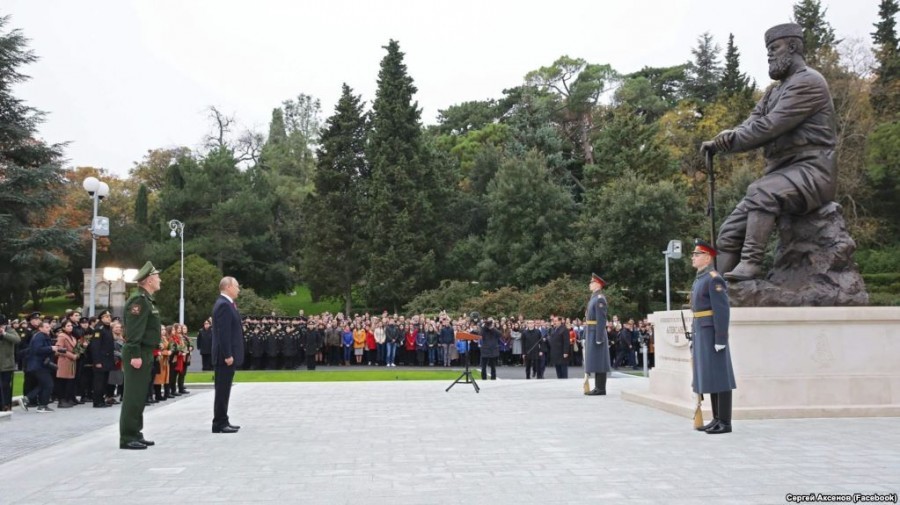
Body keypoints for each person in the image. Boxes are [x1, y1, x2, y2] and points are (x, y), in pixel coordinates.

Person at [700, 23, 837, 281]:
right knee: (729, 232)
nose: (769, 55)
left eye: (774, 48)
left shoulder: (808, 82)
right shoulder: (774, 91)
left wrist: (732, 142)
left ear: (794, 46)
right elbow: (752, 122)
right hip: (781, 175)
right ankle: (715, 290)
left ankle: (751, 263)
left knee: (761, 191)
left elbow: (770, 126)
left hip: (813, 172)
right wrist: (723, 138)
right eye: (768, 50)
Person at [689, 239, 737, 434]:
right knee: (711, 376)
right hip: (702, 331)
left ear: (707, 257)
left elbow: (722, 311)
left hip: (711, 333)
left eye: (696, 254)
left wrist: (720, 338)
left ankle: (725, 421)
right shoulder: (700, 279)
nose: (693, 257)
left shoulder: (713, 278)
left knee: (721, 376)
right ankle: (716, 418)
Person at [119, 261, 162, 450]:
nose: (160, 280)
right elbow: (134, 332)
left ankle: (136, 432)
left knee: (140, 395)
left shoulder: (146, 300)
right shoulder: (139, 301)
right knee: (133, 396)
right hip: (138, 353)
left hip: (145, 352)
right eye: (157, 277)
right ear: (149, 280)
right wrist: (135, 354)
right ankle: (127, 437)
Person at [211, 276, 244, 434]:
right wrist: (228, 354)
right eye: (237, 286)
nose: (238, 289)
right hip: (225, 357)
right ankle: (219, 422)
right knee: (222, 390)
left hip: (227, 355)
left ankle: (223, 419)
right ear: (228, 287)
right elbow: (223, 333)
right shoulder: (224, 305)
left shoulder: (227, 304)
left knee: (224, 390)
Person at [23, 320, 61, 412]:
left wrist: (53, 349)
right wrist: (51, 348)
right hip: (39, 365)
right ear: (40, 328)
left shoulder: (43, 336)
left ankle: (28, 398)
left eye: (49, 327)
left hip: (41, 365)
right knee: (49, 384)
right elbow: (37, 349)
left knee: (43, 385)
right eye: (46, 327)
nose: (49, 328)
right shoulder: (39, 336)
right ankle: (42, 405)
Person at [583, 273, 611, 395]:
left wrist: (599, 337)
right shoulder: (594, 297)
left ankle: (600, 388)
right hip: (592, 331)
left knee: (599, 361)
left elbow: (601, 319)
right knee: (595, 360)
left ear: (597, 284)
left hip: (596, 332)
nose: (589, 284)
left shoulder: (599, 298)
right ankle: (598, 387)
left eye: (591, 282)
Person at [90, 310, 115, 408]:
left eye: (109, 316)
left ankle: (102, 400)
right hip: (101, 360)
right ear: (101, 318)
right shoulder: (99, 329)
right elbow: (95, 347)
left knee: (104, 382)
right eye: (106, 317)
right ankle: (97, 401)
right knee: (99, 382)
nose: (108, 318)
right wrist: (97, 361)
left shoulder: (107, 328)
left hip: (107, 360)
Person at [0, 314, 22, 411]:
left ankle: (6, 404)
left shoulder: (10, 330)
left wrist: (4, 334)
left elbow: (17, 340)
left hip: (7, 364)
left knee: (5, 385)